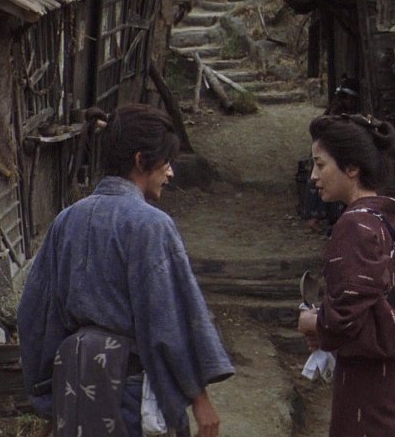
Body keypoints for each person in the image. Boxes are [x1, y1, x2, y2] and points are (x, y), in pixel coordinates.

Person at [17, 104, 235, 437]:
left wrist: (50, 394)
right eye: (166, 162)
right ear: (140, 160)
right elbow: (169, 319)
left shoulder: (66, 220)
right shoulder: (151, 225)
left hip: (74, 385)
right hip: (128, 391)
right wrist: (199, 398)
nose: (170, 174)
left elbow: (34, 315)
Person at [296, 113, 395, 437]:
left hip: (366, 382)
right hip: (394, 375)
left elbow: (343, 320)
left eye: (321, 164)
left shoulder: (353, 225)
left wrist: (314, 322)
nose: (314, 176)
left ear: (352, 168)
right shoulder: (392, 221)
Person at [297, 75, 360, 233]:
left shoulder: (337, 109)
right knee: (320, 182)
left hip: (327, 148)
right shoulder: (338, 111)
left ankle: (319, 217)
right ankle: (316, 218)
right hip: (327, 148)